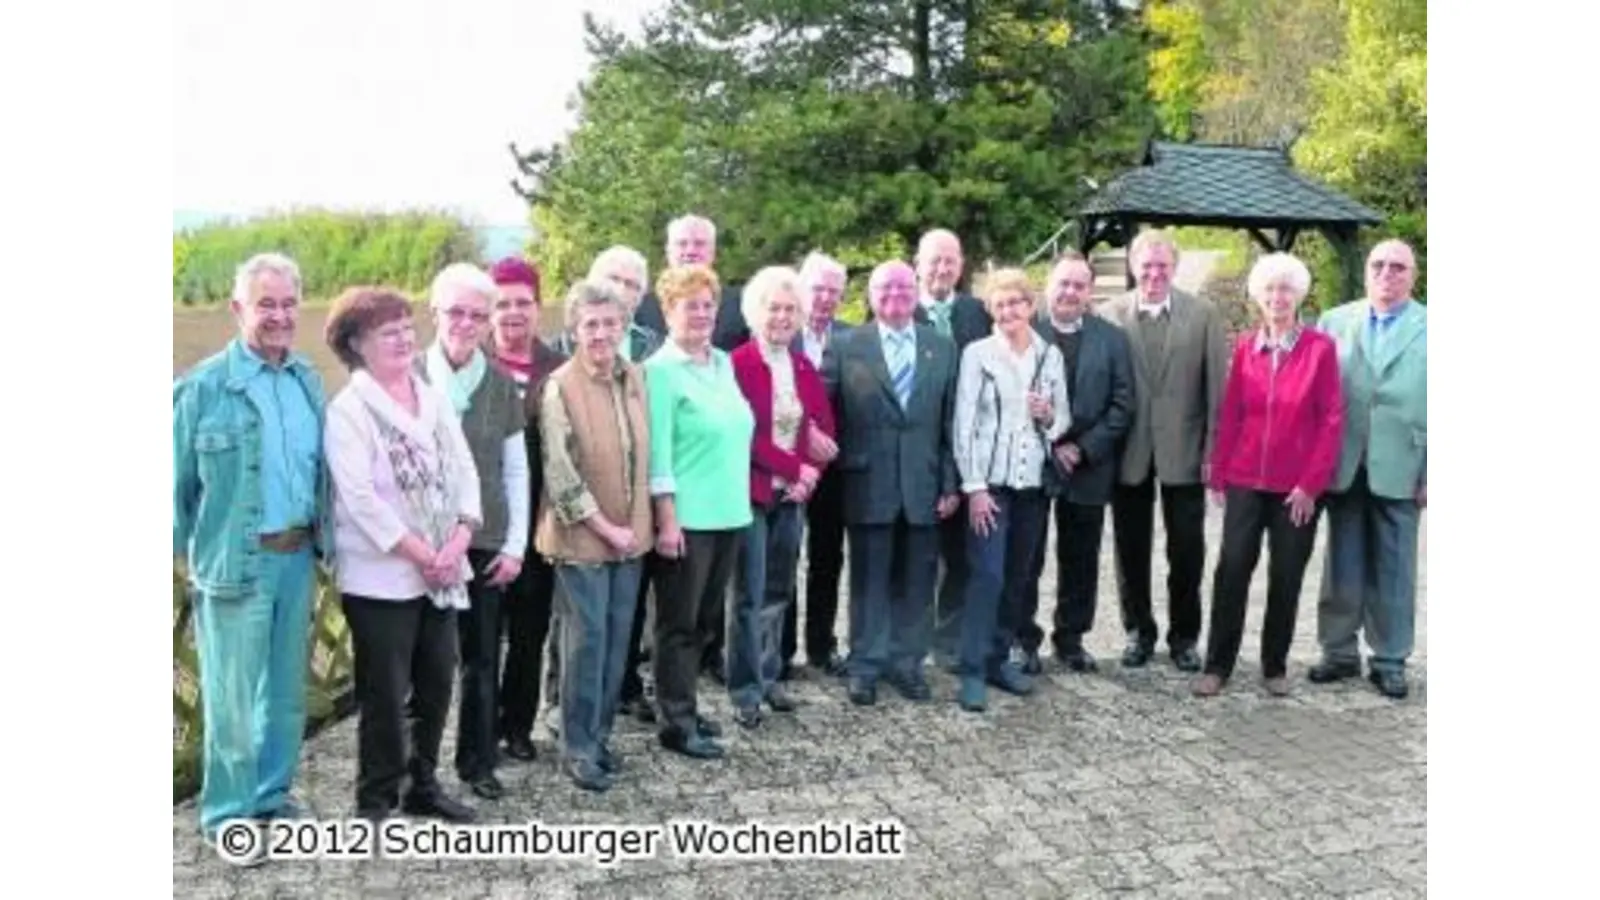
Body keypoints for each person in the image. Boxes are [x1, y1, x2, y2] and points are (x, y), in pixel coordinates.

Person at [173, 253, 325, 856]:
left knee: (284, 696)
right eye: (267, 304)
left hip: (298, 559)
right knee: (231, 702)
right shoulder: (204, 387)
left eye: (289, 304)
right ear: (239, 309)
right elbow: (172, 490)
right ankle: (228, 817)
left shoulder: (307, 380)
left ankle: (270, 796)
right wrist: (191, 561)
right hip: (234, 566)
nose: (280, 316)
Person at [323, 286, 479, 824]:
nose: (404, 339)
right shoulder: (349, 410)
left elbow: (463, 467)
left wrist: (460, 537)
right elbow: (360, 498)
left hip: (442, 570)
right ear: (357, 344)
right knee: (385, 696)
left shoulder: (430, 395)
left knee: (437, 683)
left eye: (408, 328)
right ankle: (375, 799)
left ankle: (422, 785)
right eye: (389, 332)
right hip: (382, 579)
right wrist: (420, 552)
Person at [1194, 253, 1343, 698]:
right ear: (1259, 298)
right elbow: (1233, 412)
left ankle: (1274, 665)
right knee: (1232, 569)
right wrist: (1219, 472)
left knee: (1287, 575)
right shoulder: (1244, 346)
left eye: (1286, 290)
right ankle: (1217, 664)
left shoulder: (1320, 349)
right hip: (1244, 482)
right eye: (1270, 291)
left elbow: (1331, 420)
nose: (1277, 298)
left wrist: (1309, 486)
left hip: (1295, 489)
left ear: (1298, 296)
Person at [823, 260, 961, 707]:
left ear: (917, 291)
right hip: (867, 482)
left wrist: (949, 483)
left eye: (904, 287)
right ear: (870, 295)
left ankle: (906, 664)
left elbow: (949, 423)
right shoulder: (846, 346)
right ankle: (865, 664)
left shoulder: (941, 347)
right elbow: (827, 416)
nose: (895, 295)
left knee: (917, 581)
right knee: (869, 580)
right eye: (885, 288)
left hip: (923, 485)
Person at [535, 279, 654, 791]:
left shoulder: (634, 378)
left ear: (624, 324)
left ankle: (600, 739)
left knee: (615, 646)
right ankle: (577, 749)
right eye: (591, 324)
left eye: (610, 322)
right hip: (583, 541)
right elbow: (561, 475)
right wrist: (606, 528)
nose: (602, 333)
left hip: (632, 539)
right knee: (585, 646)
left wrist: (635, 530)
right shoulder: (560, 386)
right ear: (574, 330)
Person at [417, 264, 528, 800]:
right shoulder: (407, 375)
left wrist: (515, 544)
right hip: (421, 546)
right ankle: (416, 772)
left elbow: (515, 470)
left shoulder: (502, 384)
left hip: (485, 544)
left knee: (483, 659)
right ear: (433, 312)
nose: (466, 323)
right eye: (456, 311)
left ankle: (478, 762)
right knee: (424, 665)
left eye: (477, 315)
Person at [1100, 230, 1229, 671]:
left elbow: (1218, 389)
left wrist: (1214, 450)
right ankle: (1138, 631)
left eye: (1163, 266)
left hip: (1186, 450)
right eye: (1146, 265)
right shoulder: (1109, 315)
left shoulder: (1204, 315)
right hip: (1128, 451)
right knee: (1129, 549)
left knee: (1187, 550)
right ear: (1133, 267)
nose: (1154, 274)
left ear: (1174, 268)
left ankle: (1184, 637)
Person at [643, 263, 755, 758]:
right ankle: (675, 722)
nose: (703, 314)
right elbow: (659, 452)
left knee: (706, 624)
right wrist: (666, 517)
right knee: (679, 624)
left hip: (729, 511)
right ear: (668, 311)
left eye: (709, 304)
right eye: (691, 305)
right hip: (687, 519)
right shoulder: (660, 371)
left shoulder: (723, 363)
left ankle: (685, 704)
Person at [1310, 239, 1428, 700]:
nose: (1387, 273)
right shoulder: (1334, 322)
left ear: (1412, 276)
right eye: (1378, 264)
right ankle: (1338, 652)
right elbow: (1315, 396)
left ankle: (1390, 659)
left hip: (1404, 462)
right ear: (1365, 271)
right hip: (1344, 460)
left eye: (1398, 267)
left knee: (1395, 566)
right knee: (1342, 561)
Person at [950, 268, 1071, 711]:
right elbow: (964, 425)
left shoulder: (1048, 355)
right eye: (999, 305)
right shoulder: (977, 355)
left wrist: (1048, 414)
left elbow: (1063, 423)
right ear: (990, 310)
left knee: (1018, 577)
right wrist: (975, 488)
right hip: (992, 485)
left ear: (1030, 306)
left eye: (1015, 303)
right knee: (988, 575)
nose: (1008, 312)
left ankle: (999, 659)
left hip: (1032, 485)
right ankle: (972, 670)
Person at [728, 265, 837, 727]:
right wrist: (796, 467)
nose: (782, 317)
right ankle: (745, 690)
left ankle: (770, 677)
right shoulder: (737, 363)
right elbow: (747, 435)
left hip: (792, 498)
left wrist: (811, 473)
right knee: (748, 596)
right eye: (774, 307)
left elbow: (825, 430)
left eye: (790, 309)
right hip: (753, 494)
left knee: (778, 591)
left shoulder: (802, 366)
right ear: (756, 310)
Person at [1022, 252, 1135, 674]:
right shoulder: (1024, 333)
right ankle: (1023, 639)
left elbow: (1123, 404)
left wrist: (1083, 448)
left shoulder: (1112, 339)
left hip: (1089, 465)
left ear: (1089, 293)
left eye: (1079, 285)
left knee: (1081, 557)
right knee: (1027, 556)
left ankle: (1070, 639)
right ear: (1047, 286)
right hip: (1033, 462)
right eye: (1063, 283)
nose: (1070, 292)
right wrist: (1053, 445)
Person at [483, 257, 566, 762]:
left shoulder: (557, 369)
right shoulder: (473, 364)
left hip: (538, 524)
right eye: (502, 303)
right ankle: (481, 728)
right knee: (483, 640)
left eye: (523, 303)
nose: (513, 312)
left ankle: (518, 726)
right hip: (485, 528)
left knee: (529, 635)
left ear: (538, 308)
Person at [909, 229, 994, 671]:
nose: (942, 269)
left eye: (950, 261)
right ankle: (912, 641)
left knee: (962, 555)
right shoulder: (900, 308)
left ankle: (950, 638)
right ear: (918, 265)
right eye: (934, 261)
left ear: (961, 266)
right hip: (921, 452)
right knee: (921, 555)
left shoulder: (977, 313)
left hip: (972, 452)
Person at [782, 251, 854, 678]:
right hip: (787, 465)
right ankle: (782, 650)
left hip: (835, 469)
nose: (825, 298)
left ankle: (822, 646)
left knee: (829, 557)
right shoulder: (779, 333)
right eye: (818, 289)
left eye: (834, 291)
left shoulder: (852, 337)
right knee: (785, 555)